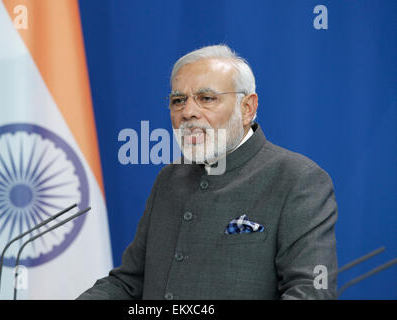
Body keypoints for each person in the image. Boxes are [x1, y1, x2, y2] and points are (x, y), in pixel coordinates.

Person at [78, 45, 338, 300]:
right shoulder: (169, 178)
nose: (188, 112)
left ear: (247, 108)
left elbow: (312, 291)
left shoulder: (297, 179)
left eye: (206, 98)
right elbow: (130, 283)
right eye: (178, 100)